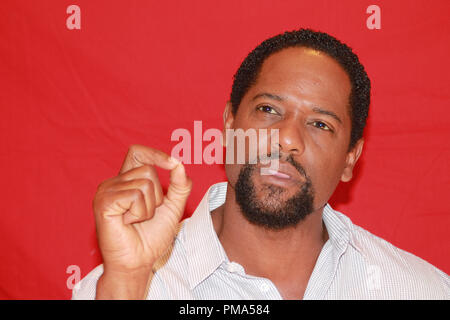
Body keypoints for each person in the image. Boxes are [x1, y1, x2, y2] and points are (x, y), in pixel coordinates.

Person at [72, 29, 449, 300]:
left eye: (320, 124)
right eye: (268, 110)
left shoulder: (420, 291)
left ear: (350, 158)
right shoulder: (123, 286)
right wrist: (126, 283)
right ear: (229, 125)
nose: (287, 138)